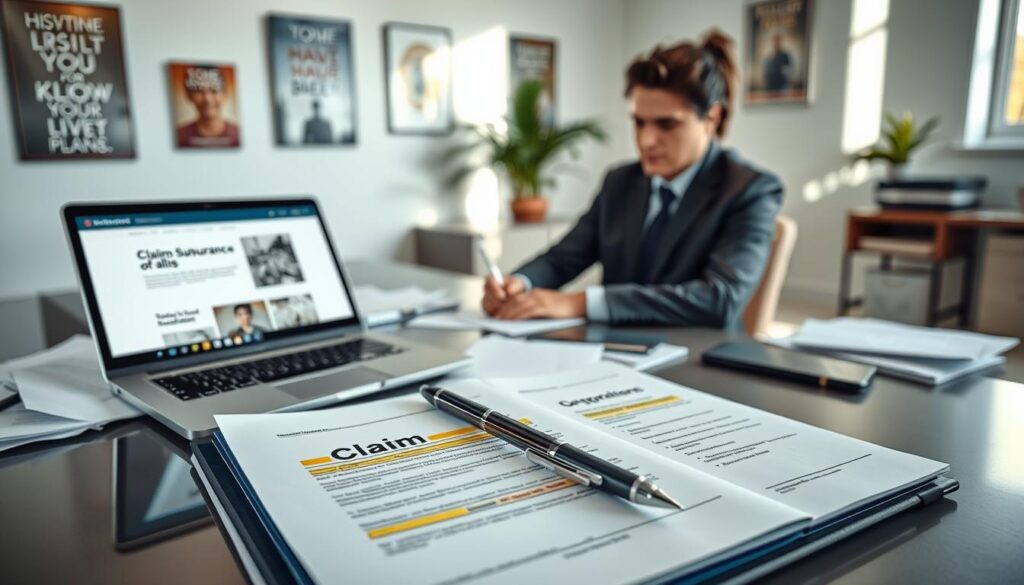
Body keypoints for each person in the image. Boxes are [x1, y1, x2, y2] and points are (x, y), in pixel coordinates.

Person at [482, 29, 783, 329]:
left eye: (666, 125)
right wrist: (519, 283)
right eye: (639, 122)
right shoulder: (620, 181)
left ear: (711, 119)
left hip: (696, 351)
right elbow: (564, 257)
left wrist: (580, 303)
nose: (647, 140)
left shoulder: (750, 190)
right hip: (611, 348)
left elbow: (720, 299)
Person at [176, 65, 240, 148]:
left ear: (225, 93)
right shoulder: (180, 135)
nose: (207, 99)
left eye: (214, 91)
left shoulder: (238, 133)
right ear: (189, 95)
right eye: (199, 91)